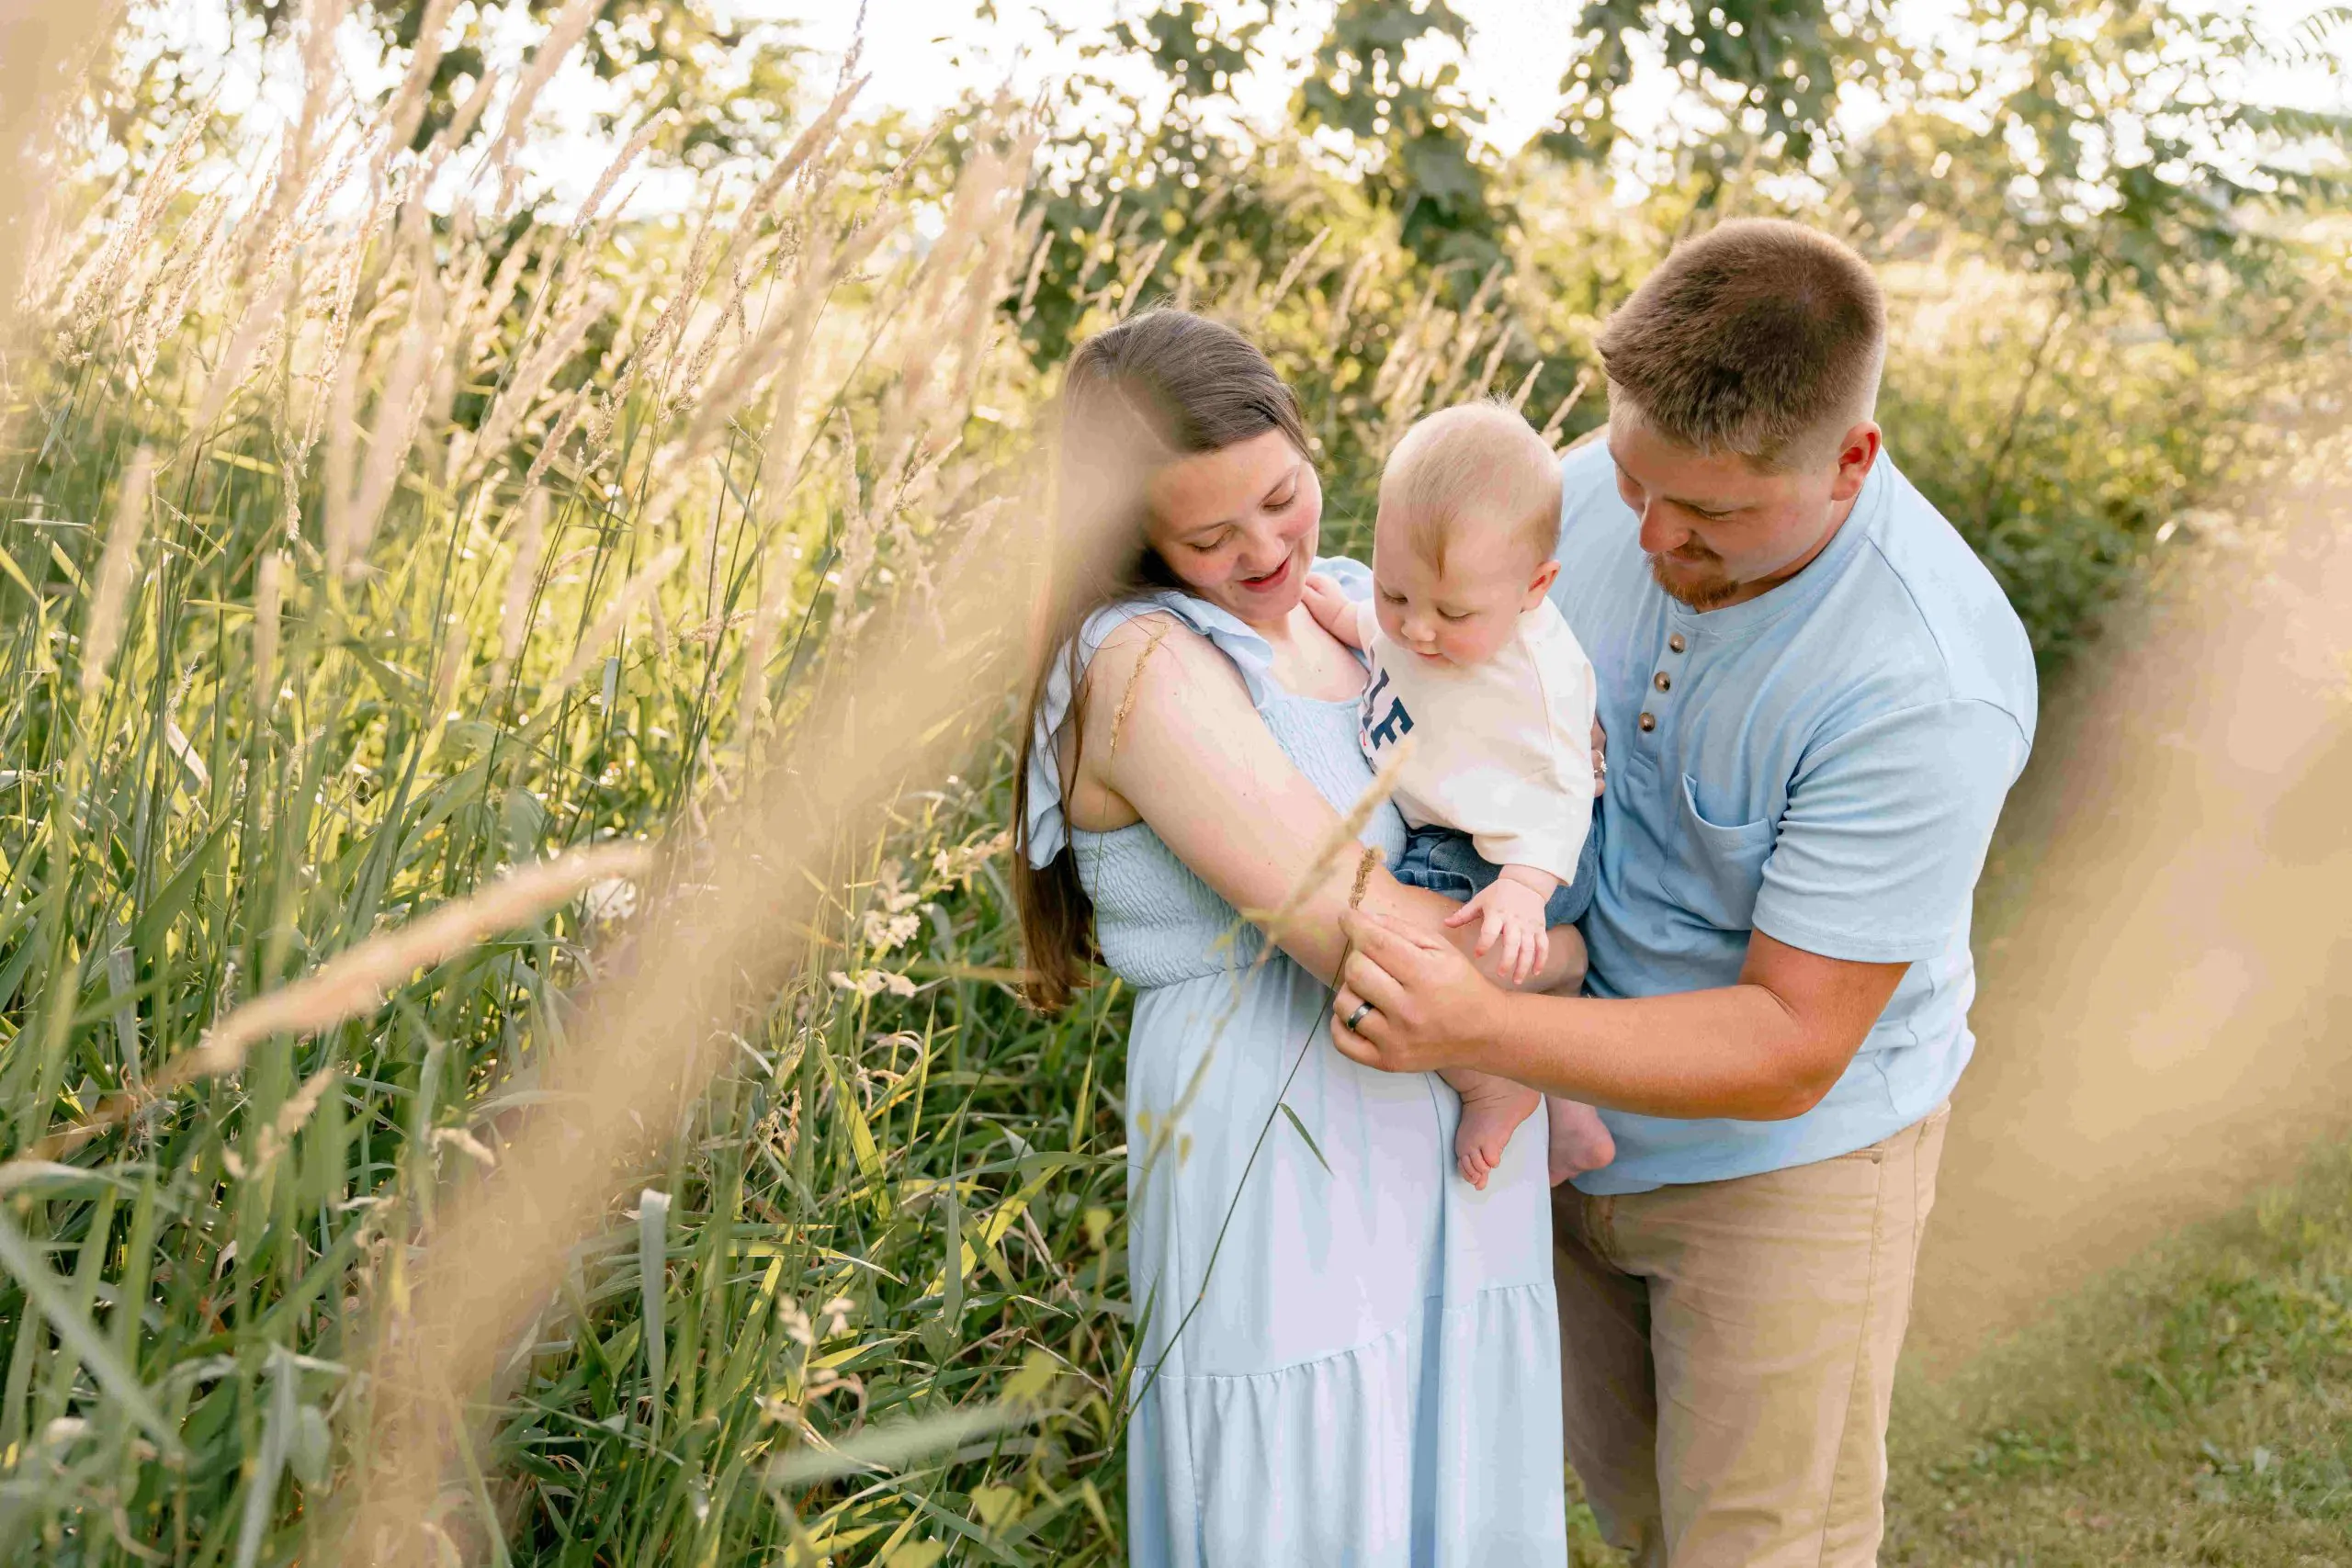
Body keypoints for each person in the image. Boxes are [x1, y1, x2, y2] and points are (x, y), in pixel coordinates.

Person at [1322, 219, 2039, 1566]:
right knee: (1643, 1524)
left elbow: (1790, 1043)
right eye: (1633, 477)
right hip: (1563, 1119)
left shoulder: (1926, 683)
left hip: (1781, 1173)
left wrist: (1480, 1030)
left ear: (1851, 461)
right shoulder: (1576, 499)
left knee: (1757, 1547)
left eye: (1711, 516)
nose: (1649, 532)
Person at [1012, 310, 1575, 1564]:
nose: (1266, 550)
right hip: (1280, 1131)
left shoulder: (1358, 607)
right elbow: (1366, 930)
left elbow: (1527, 774)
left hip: (1459, 1116)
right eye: (1211, 535)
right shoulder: (1140, 662)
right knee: (1312, 1488)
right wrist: (1564, 966)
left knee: (1456, 1458)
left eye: (1282, 498)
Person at [1301, 400, 1615, 1190]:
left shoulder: (1539, 679)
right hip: (1468, 831)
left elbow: (1568, 788)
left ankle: (1492, 1081)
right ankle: (1573, 1116)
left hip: (1519, 854)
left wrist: (1525, 888)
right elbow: (1391, 638)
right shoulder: (1426, 614)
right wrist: (1352, 616)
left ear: (1534, 587)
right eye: (1395, 592)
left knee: (1410, 947)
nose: (1418, 629)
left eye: (1452, 612)